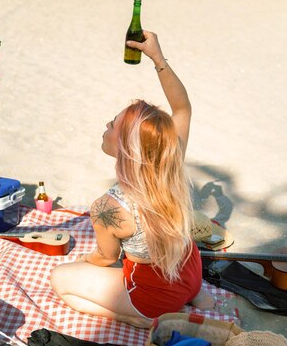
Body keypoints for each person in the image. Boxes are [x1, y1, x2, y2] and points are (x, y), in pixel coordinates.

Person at [51, 31, 212, 328]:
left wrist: (81, 262)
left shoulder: (107, 207)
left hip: (155, 295)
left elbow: (105, 257)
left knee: (60, 280)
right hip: (191, 273)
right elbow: (182, 107)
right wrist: (157, 58)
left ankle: (144, 319)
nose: (106, 126)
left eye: (112, 125)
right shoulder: (169, 161)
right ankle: (196, 297)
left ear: (125, 147)